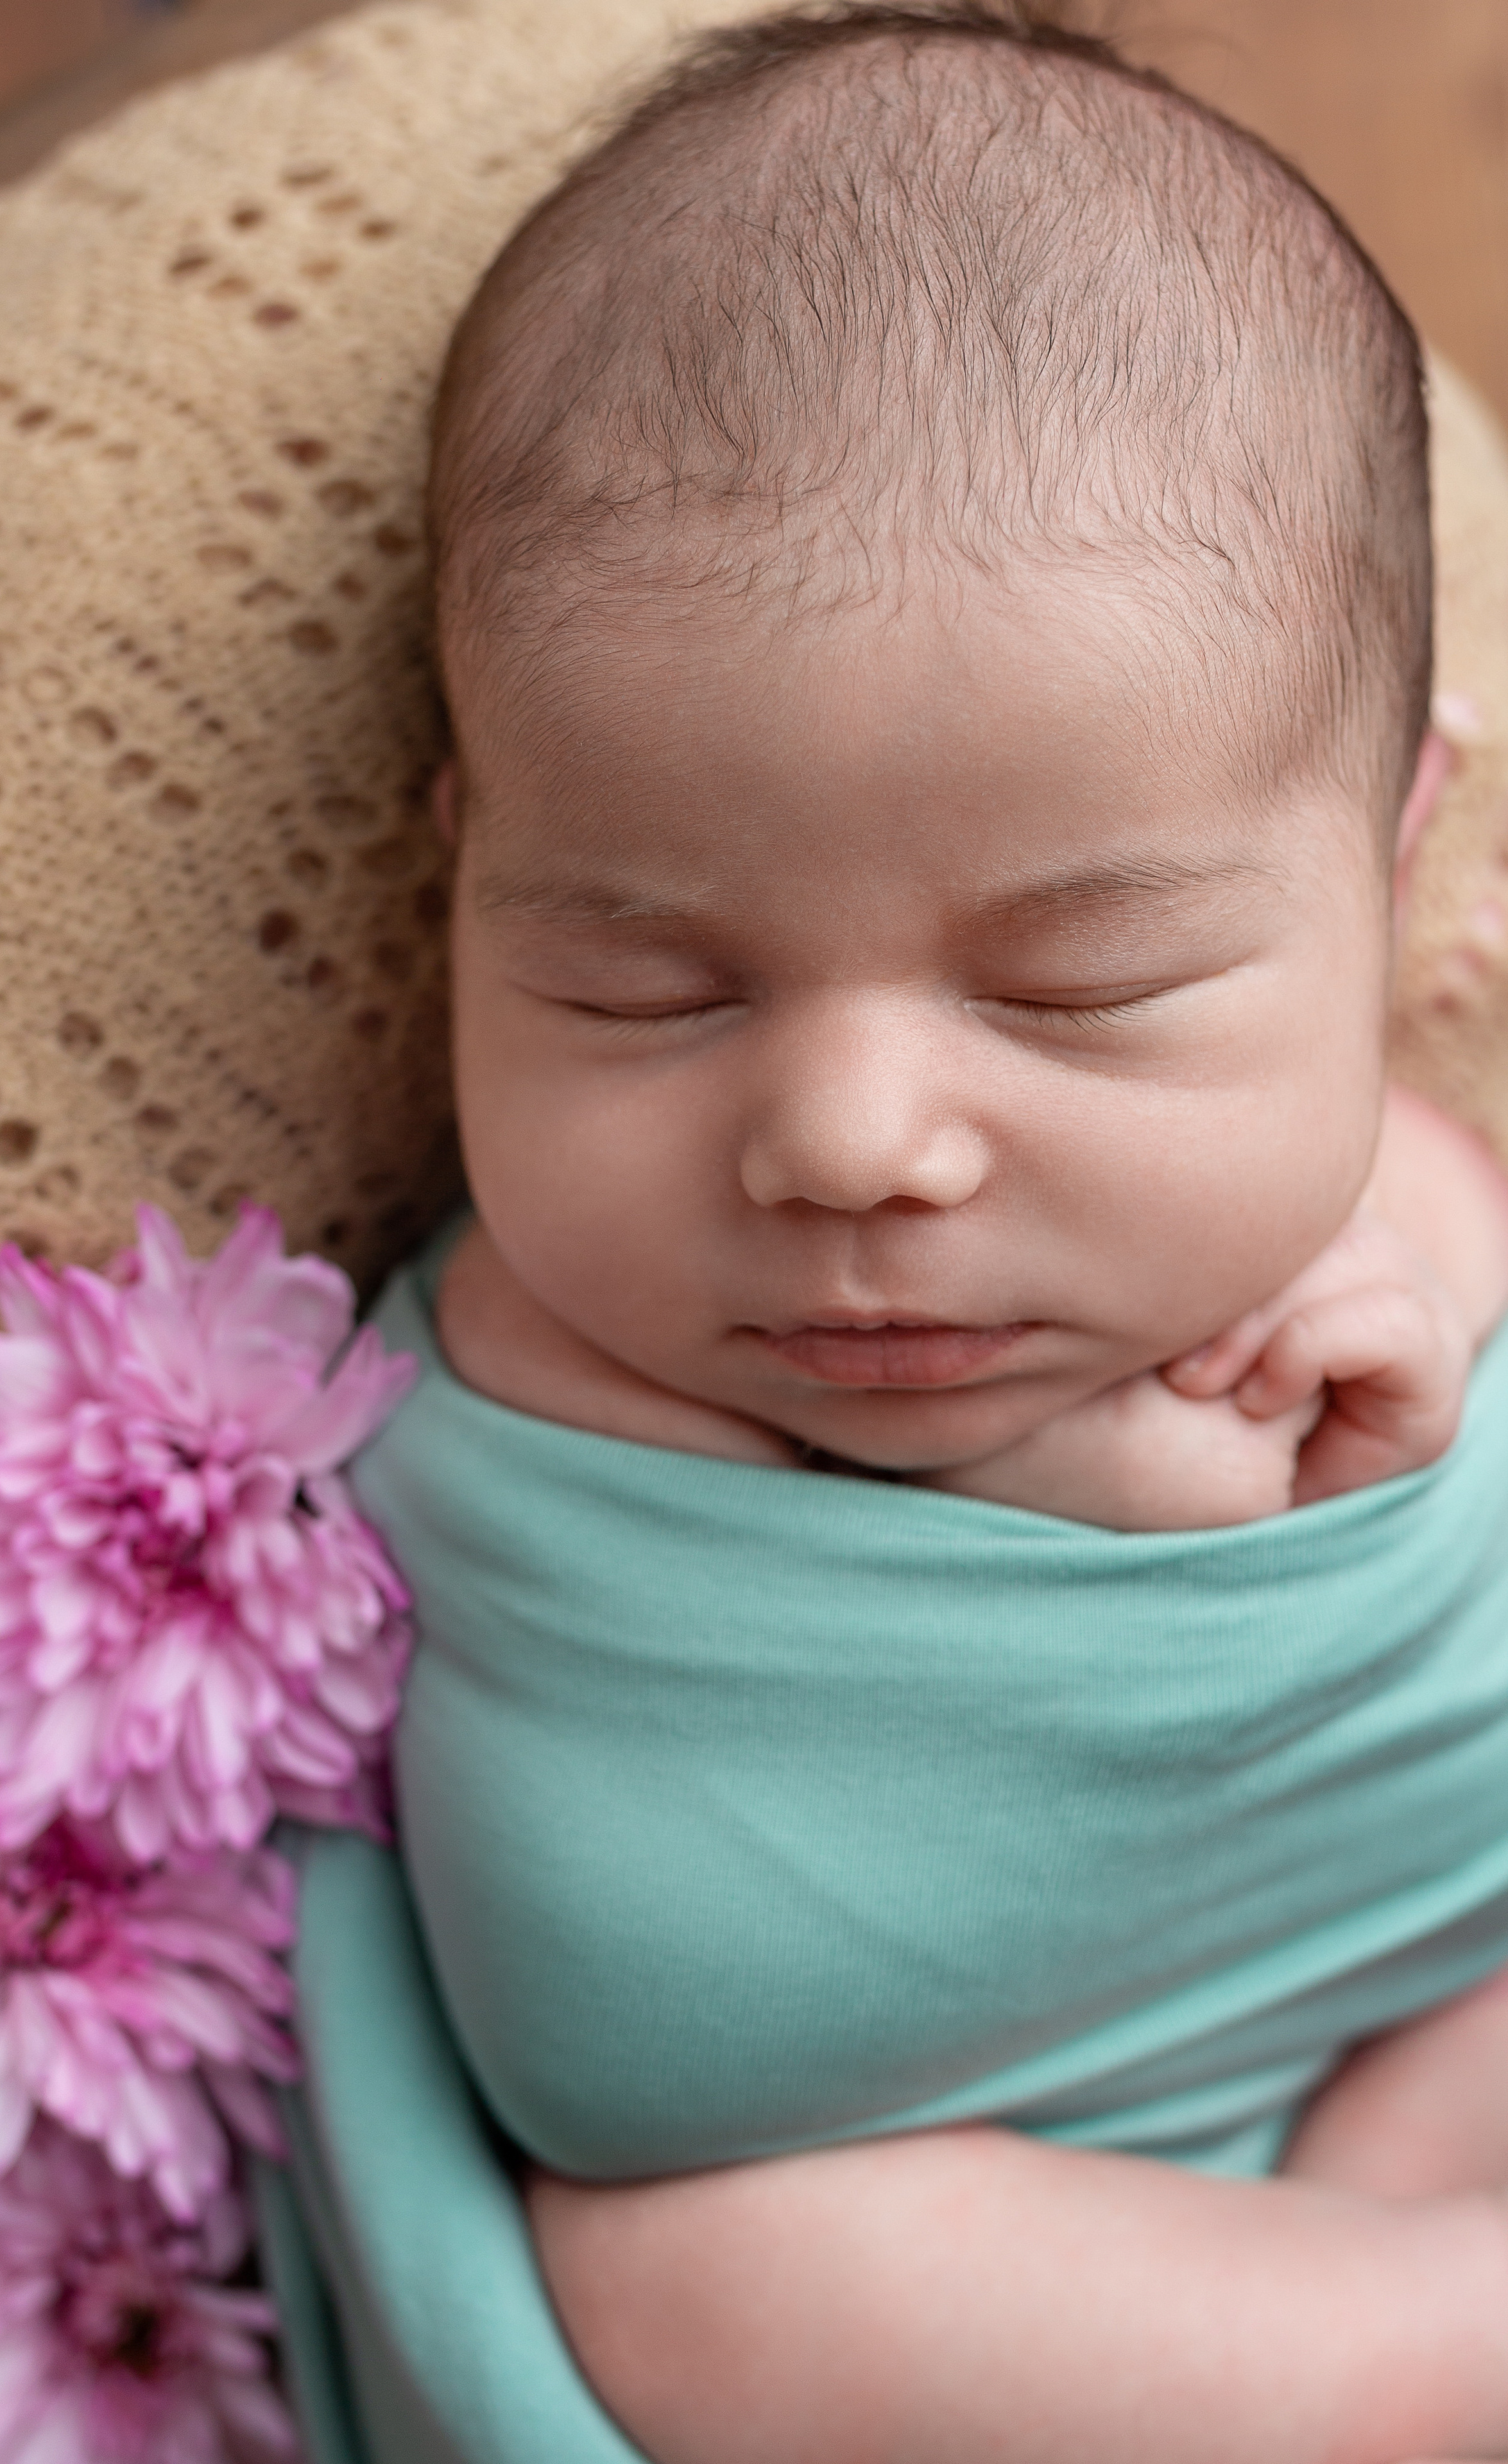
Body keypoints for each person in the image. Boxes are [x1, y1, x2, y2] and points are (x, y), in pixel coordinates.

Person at [352, 6, 1508, 2454]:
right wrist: (1082, 1491)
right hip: (893, 2202)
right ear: (466, 872)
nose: (854, 1146)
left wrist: (1403, 1367)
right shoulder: (555, 1337)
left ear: (1392, 867)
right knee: (678, 2279)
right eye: (641, 982)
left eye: (1078, 989)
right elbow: (636, 2009)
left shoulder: (1403, 1161)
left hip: (1405, 1986)